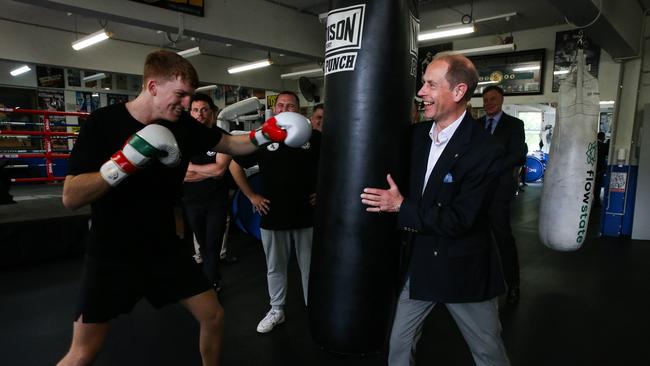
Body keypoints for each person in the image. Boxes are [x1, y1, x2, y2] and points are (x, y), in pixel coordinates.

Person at [58, 50, 310, 366]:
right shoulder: (103, 123)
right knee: (85, 351)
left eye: (189, 96)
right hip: (112, 251)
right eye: (180, 95)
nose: (186, 103)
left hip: (162, 247)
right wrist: (125, 162)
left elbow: (232, 145)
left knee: (213, 316)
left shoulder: (183, 126)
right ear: (152, 87)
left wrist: (265, 133)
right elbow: (70, 197)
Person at [360, 53, 510, 366]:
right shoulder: (416, 137)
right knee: (399, 345)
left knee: (488, 352)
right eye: (423, 83)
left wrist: (400, 206)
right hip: (422, 262)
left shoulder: (487, 150)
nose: (421, 92)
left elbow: (460, 219)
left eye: (431, 84)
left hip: (464, 268)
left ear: (458, 92)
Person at [230, 91, 320, 333]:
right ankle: (276, 309)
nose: (285, 108)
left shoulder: (315, 138)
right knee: (275, 267)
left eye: (290, 105)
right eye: (281, 105)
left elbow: (335, 167)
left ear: (299, 110)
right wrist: (251, 195)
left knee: (310, 267)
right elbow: (234, 164)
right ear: (275, 109)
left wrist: (324, 192)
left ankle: (314, 309)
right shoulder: (262, 138)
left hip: (306, 215)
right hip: (273, 215)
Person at [480, 85, 526, 304]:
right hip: (475, 192)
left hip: (498, 191)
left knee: (503, 238)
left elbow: (516, 154)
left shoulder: (515, 125)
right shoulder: (476, 124)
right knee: (474, 238)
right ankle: (475, 282)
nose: (489, 102)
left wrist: (490, 168)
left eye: (493, 98)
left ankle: (513, 284)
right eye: (486, 99)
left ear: (502, 100)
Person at [183, 93, 232, 291]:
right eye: (195, 110)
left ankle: (209, 286)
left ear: (212, 113)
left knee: (212, 244)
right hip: (191, 201)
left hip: (216, 202)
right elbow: (180, 174)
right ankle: (214, 275)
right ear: (190, 113)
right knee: (203, 244)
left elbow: (219, 170)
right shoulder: (183, 139)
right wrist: (207, 171)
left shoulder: (223, 138)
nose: (199, 114)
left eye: (204, 110)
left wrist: (192, 169)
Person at [594, 131, 609, 207]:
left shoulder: (593, 145)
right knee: (597, 185)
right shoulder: (604, 146)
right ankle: (596, 200)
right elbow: (607, 154)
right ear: (603, 137)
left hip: (592, 168)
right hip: (600, 169)